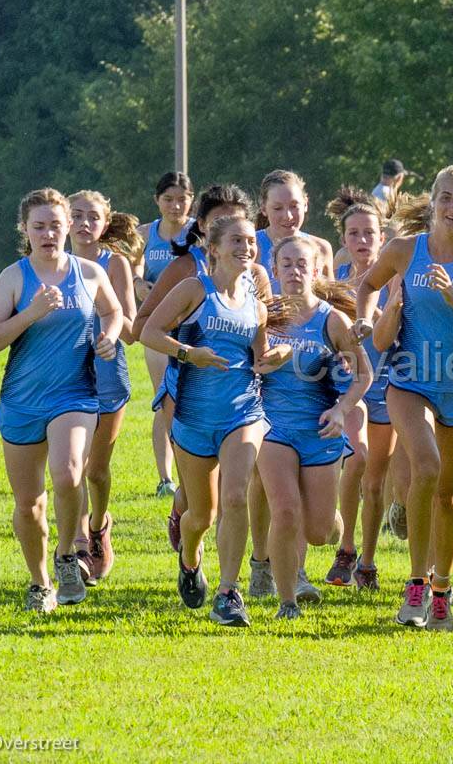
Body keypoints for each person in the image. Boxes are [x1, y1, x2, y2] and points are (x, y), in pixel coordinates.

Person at [356, 165, 453, 632]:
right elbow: (366, 284)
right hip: (409, 382)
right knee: (425, 467)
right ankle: (416, 584)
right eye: (446, 197)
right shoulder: (405, 250)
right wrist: (370, 316)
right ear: (433, 201)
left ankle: (442, 587)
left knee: (452, 494)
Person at [0, 188, 123, 612]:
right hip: (21, 402)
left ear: (69, 228)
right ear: (24, 229)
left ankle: (66, 555)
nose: (48, 234)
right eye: (39, 226)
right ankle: (41, 583)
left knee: (69, 471)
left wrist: (108, 338)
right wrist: (31, 313)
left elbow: (113, 313)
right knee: (28, 504)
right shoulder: (14, 278)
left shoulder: (89, 273)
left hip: (74, 394)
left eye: (56, 225)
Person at [141, 215, 286, 627]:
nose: (246, 247)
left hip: (243, 412)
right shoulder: (193, 289)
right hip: (193, 416)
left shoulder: (256, 302)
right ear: (215, 248)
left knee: (236, 496)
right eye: (236, 241)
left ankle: (228, 592)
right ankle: (189, 560)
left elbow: (261, 360)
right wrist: (190, 354)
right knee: (201, 515)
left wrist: (279, 358)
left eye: (250, 242)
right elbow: (148, 332)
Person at [133, 185, 272, 557]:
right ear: (204, 228)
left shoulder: (255, 273)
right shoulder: (185, 269)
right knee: (202, 501)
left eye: (240, 224)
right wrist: (187, 349)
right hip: (186, 393)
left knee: (235, 491)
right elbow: (142, 326)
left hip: (239, 398)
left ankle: (234, 582)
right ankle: (186, 518)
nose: (233, 232)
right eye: (220, 221)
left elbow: (268, 330)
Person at [260, 235, 372, 618]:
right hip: (272, 427)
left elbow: (364, 375)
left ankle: (338, 526)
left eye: (302, 264)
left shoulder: (332, 320)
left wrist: (342, 409)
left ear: (317, 270)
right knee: (286, 512)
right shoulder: (262, 314)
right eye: (286, 264)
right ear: (274, 270)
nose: (294, 271)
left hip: (321, 430)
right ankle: (287, 600)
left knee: (319, 531)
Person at [324, 186, 396, 589]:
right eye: (354, 234)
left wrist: (383, 313)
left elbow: (400, 335)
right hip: (349, 387)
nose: (363, 241)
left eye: (370, 233)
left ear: (382, 238)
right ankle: (346, 548)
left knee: (374, 477)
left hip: (389, 386)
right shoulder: (334, 282)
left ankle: (366, 559)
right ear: (344, 240)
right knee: (356, 460)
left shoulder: (397, 282)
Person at [68, 194, 142, 584]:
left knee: (96, 471)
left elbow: (130, 330)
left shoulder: (115, 263)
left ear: (104, 222)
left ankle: (99, 525)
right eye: (76, 216)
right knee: (73, 467)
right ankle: (80, 546)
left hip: (108, 376)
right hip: (64, 380)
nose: (83, 224)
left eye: (91, 217)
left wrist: (109, 321)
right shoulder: (50, 264)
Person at [135, 172, 194, 501]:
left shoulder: (197, 232)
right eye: (168, 199)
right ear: (157, 201)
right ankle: (165, 478)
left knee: (193, 396)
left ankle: (192, 467)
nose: (176, 205)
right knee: (164, 397)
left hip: (192, 326)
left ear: (192, 200)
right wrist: (137, 283)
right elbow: (131, 267)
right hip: (157, 327)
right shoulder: (146, 233)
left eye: (182, 199)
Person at [255, 169, 333, 289]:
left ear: (305, 204)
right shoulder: (251, 247)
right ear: (263, 208)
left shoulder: (321, 248)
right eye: (277, 208)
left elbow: (331, 298)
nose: (288, 216)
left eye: (294, 206)